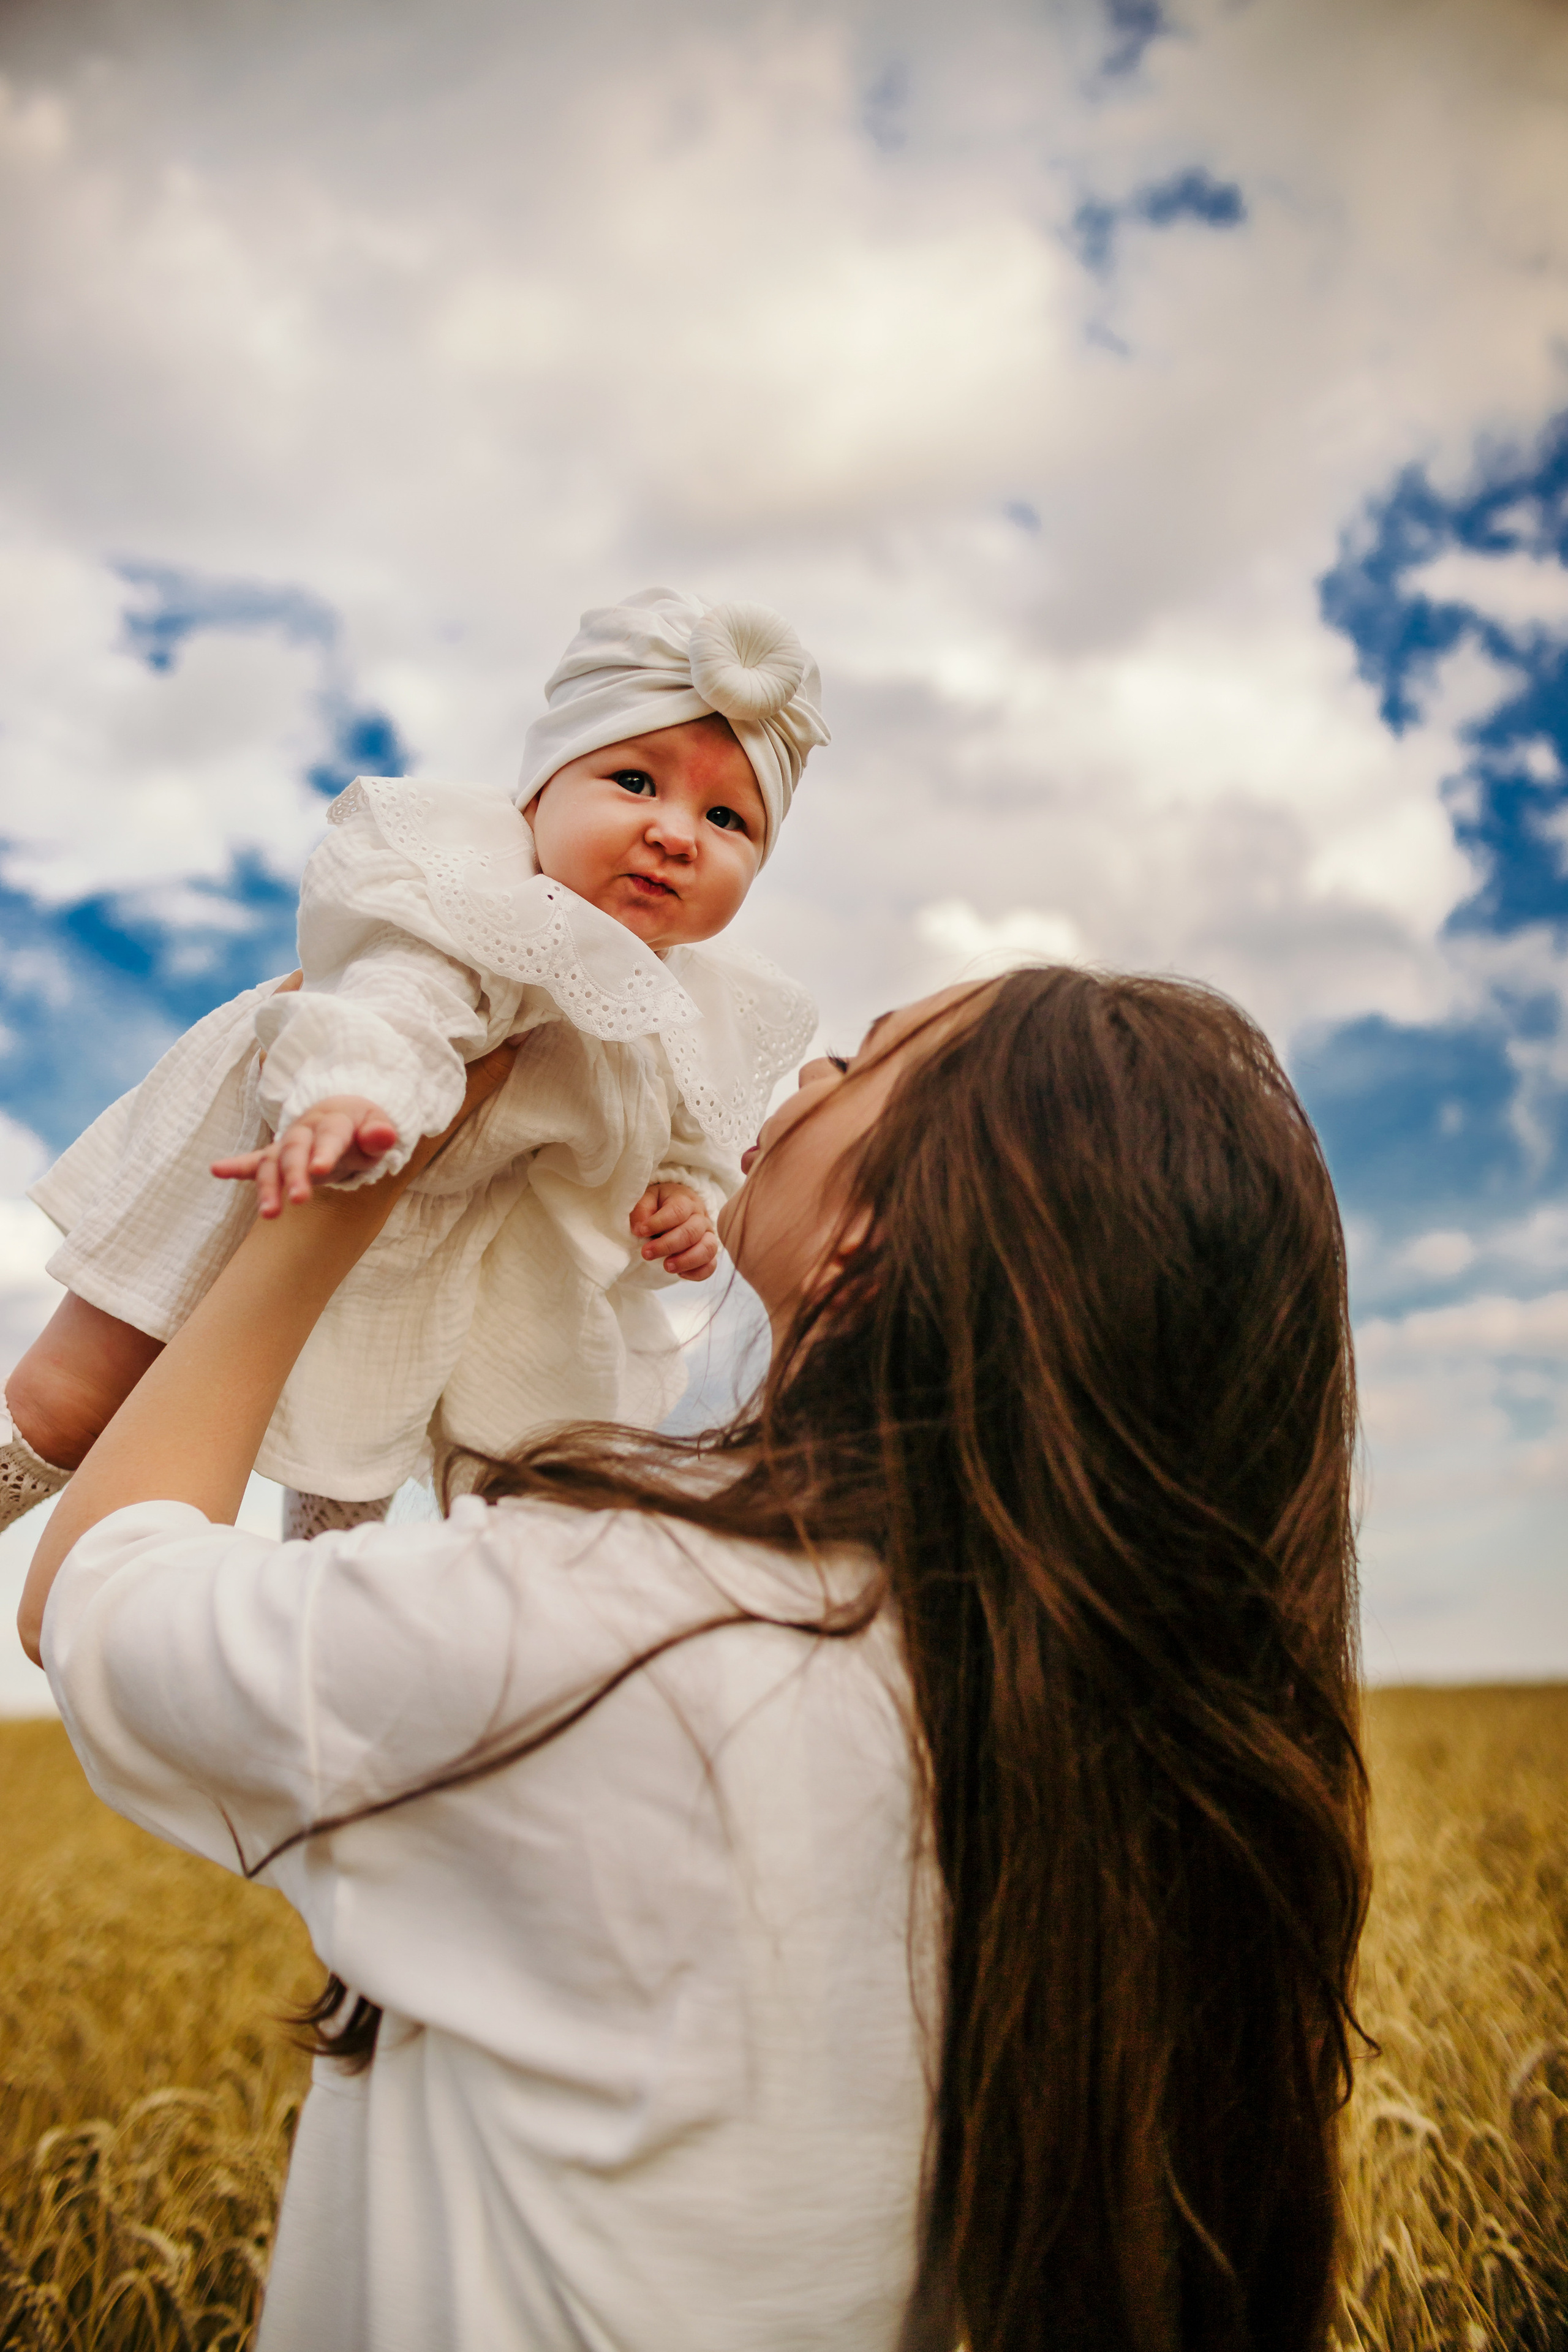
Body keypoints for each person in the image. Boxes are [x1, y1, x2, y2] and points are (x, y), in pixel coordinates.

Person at [20, 964, 1370, 2352]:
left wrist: (341, 1209)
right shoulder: (1091, 1719)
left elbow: (94, 1592)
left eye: (859, 1063)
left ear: (873, 1240)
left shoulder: (620, 1626)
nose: (803, 1079)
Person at [0, 587, 826, 1544]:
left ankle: (314, 1612)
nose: (676, 834)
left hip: (455, 1245)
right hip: (293, 1148)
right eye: (636, 782)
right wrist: (351, 1097)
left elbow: (691, 1135)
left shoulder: (698, 1006)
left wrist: (684, 1200)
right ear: (539, 793)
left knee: (357, 1474)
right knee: (74, 1400)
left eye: (727, 819)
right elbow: (394, 1006)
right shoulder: (476, 905)